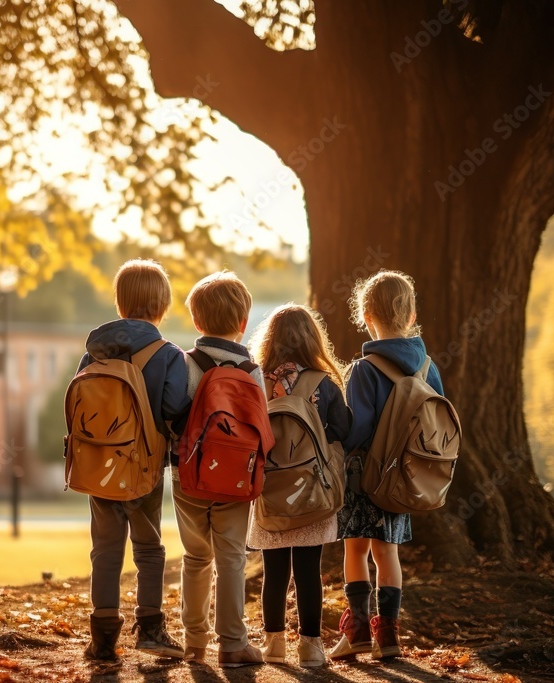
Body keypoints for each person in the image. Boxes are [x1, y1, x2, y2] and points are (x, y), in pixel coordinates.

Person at [75, 259, 190, 661]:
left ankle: (103, 638)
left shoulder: (94, 354)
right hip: (143, 467)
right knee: (149, 547)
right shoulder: (168, 354)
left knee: (105, 548)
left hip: (99, 466)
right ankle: (151, 629)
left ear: (120, 303)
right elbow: (175, 405)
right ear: (162, 304)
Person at [329, 270, 445, 661]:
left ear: (365, 314)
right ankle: (390, 638)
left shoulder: (364, 370)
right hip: (406, 479)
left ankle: (358, 632)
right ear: (411, 316)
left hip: (364, 479)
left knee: (355, 551)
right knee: (388, 554)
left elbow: (356, 429)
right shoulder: (429, 369)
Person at [246, 304, 352, 667]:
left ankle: (273, 644)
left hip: (270, 492)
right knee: (309, 572)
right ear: (312, 340)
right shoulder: (324, 384)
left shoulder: (259, 380)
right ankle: (311, 647)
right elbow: (344, 431)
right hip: (312, 491)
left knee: (274, 572)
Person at [173, 271, 266, 667]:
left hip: (189, 477)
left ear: (196, 321)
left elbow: (173, 418)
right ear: (243, 322)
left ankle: (194, 642)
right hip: (235, 478)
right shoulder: (252, 372)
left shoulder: (185, 364)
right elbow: (263, 427)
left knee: (195, 557)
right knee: (232, 559)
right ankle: (232, 644)